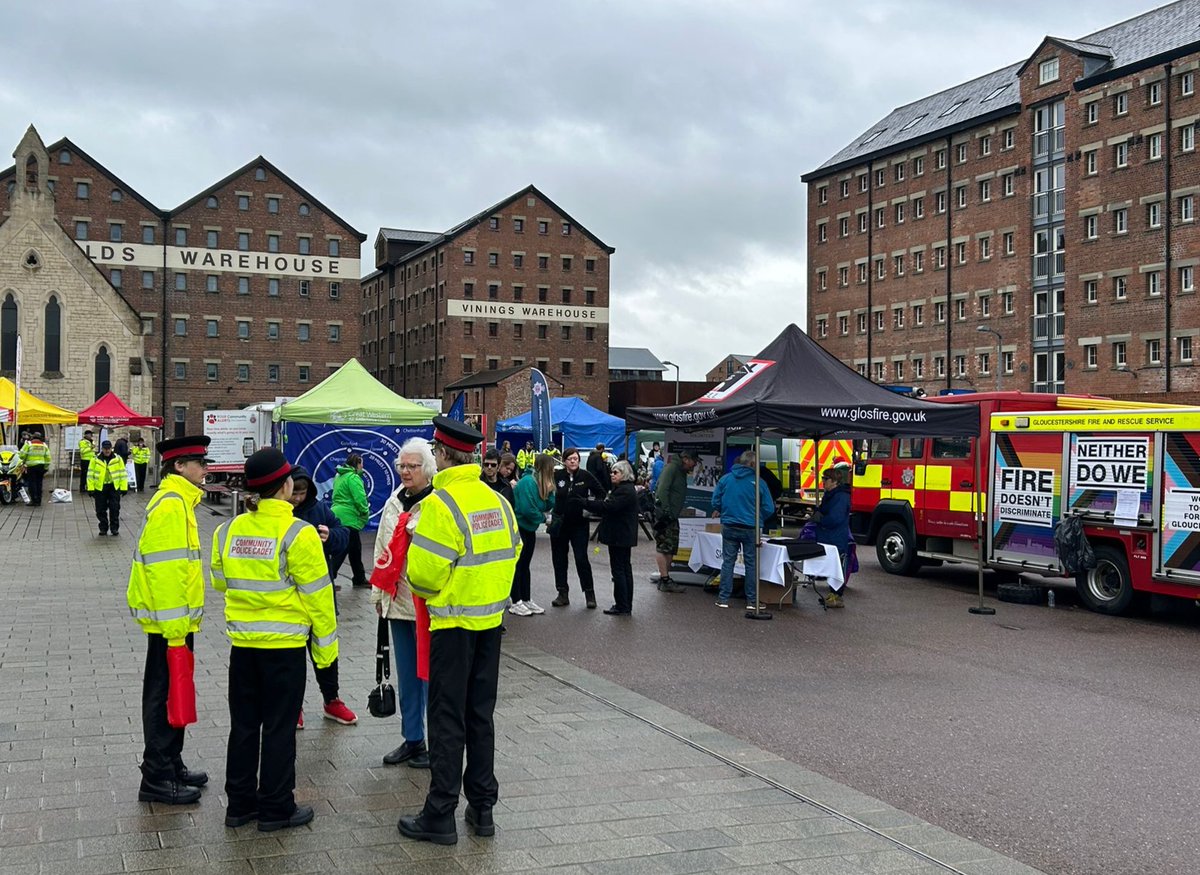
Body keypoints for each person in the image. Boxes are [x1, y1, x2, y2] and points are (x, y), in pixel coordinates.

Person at [397, 416, 520, 846]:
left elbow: (424, 577)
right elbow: (514, 551)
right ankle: (482, 808)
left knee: (447, 720)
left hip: (452, 626)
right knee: (480, 716)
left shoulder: (440, 506)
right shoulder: (498, 501)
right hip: (491, 624)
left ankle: (440, 812)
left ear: (442, 454)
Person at [211, 448, 337, 832]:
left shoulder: (228, 529)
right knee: (280, 728)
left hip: (243, 647)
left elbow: (219, 579)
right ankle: (276, 807)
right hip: (283, 649)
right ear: (285, 487)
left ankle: (239, 805)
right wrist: (326, 649)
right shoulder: (299, 534)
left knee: (244, 725)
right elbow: (319, 596)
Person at [126, 435, 211, 806]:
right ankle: (156, 776)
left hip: (175, 624)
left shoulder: (181, 502)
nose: (206, 470)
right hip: (169, 625)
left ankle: (171, 761)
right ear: (179, 466)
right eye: (200, 463)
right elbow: (164, 573)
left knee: (173, 693)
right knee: (162, 695)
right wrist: (177, 630)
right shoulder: (171, 506)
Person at [372, 438, 436, 769]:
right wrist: (379, 596)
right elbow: (382, 549)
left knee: (430, 676)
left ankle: (434, 740)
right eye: (402, 466)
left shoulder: (437, 502)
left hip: (428, 603)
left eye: (412, 466)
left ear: (427, 469)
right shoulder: (394, 502)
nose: (406, 472)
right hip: (398, 600)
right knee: (408, 675)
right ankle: (413, 738)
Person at [287, 466, 356, 726]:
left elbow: (343, 534)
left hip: (321, 595)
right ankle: (293, 706)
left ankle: (332, 699)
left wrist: (331, 537)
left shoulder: (319, 509)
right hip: (290, 598)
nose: (297, 498)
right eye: (294, 492)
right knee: (292, 657)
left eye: (302, 493)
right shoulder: (278, 512)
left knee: (326, 650)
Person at [711, 451, 776, 610]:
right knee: (751, 564)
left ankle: (723, 599)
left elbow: (715, 501)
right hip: (751, 528)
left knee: (728, 563)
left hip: (729, 526)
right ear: (753, 464)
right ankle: (752, 601)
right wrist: (758, 517)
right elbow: (769, 508)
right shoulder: (759, 482)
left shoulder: (726, 479)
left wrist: (724, 511)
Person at [548, 447, 604, 609]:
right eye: (570, 459)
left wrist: (589, 507)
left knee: (581, 558)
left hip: (579, 524)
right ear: (564, 461)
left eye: (575, 459)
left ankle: (589, 593)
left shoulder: (586, 476)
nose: (573, 461)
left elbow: (601, 493)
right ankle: (562, 592)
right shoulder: (557, 476)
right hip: (559, 524)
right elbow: (546, 493)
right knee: (559, 559)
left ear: (579, 461)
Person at [583, 460, 640, 616]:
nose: (612, 474)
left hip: (619, 535)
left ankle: (622, 605)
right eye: (612, 472)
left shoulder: (624, 491)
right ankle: (625, 604)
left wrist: (585, 503)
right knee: (624, 569)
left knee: (619, 570)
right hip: (623, 535)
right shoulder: (625, 489)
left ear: (624, 474)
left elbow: (608, 507)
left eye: (616, 472)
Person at [510, 453, 555, 617]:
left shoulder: (539, 482)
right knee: (519, 565)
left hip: (529, 528)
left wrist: (550, 493)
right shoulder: (528, 481)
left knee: (525, 565)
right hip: (521, 527)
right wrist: (544, 518)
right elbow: (528, 509)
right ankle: (516, 601)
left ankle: (526, 598)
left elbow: (549, 504)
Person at [652, 450, 699, 593]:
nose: (695, 465)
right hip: (666, 516)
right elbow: (661, 490)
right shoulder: (671, 469)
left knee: (671, 547)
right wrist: (665, 512)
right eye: (693, 461)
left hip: (671, 516)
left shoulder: (679, 470)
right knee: (663, 546)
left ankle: (664, 578)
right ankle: (665, 579)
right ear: (686, 459)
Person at [811, 467, 853, 608]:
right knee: (831, 566)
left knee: (837, 566)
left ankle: (837, 597)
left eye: (825, 479)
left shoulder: (840, 497)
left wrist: (821, 519)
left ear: (834, 481)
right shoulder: (831, 494)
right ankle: (832, 594)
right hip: (828, 536)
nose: (823, 481)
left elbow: (835, 518)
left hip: (835, 537)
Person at [330, 453, 370, 587]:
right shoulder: (353, 478)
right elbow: (360, 499)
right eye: (362, 465)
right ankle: (328, 578)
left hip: (337, 515)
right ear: (357, 464)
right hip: (349, 517)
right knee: (343, 550)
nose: (363, 468)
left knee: (354, 549)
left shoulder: (339, 476)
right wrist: (365, 512)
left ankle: (359, 577)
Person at [88, 440, 129, 535]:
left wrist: (124, 487)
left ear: (111, 449)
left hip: (113, 486)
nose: (107, 451)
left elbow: (123, 474)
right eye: (105, 449)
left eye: (109, 449)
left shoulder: (118, 459)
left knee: (114, 508)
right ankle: (103, 527)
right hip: (100, 487)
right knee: (100, 509)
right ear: (102, 449)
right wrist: (90, 488)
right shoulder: (95, 459)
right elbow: (90, 475)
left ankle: (114, 528)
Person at [18, 430, 51, 507]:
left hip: (31, 466)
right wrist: (46, 468)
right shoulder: (44, 445)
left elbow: (22, 454)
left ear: (32, 437)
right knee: (39, 484)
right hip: (41, 467)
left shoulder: (28, 444)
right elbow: (48, 457)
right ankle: (39, 500)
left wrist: (24, 460)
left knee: (32, 483)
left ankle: (33, 500)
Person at [78, 429, 95, 495]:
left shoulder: (92, 441)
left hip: (92, 460)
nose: (91, 436)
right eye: (90, 434)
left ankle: (89, 487)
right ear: (86, 435)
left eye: (91, 434)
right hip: (85, 460)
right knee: (84, 474)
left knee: (90, 474)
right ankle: (82, 488)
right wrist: (90, 448)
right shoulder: (82, 442)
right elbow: (82, 451)